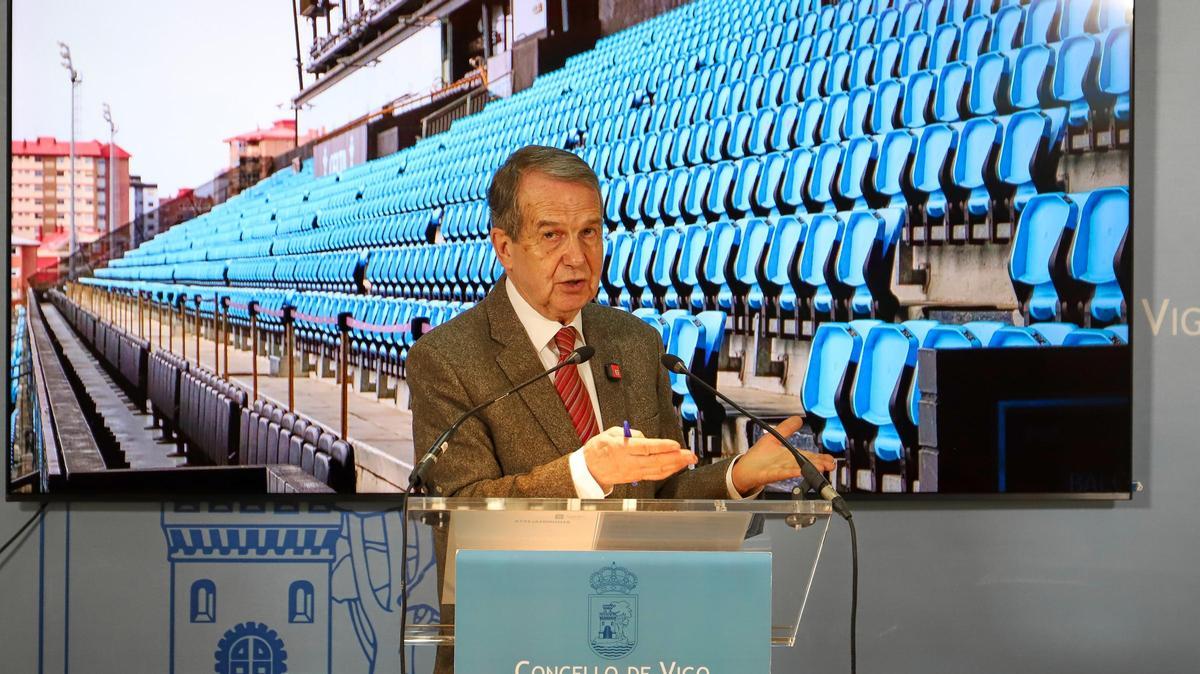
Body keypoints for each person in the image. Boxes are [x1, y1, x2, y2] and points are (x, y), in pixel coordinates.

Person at [407, 145, 834, 672]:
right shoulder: (448, 359)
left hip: (641, 649)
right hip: (514, 646)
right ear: (504, 247)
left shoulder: (634, 342)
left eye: (590, 232)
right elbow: (462, 513)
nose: (578, 256)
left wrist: (736, 475)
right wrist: (584, 472)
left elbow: (662, 494)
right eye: (551, 235)